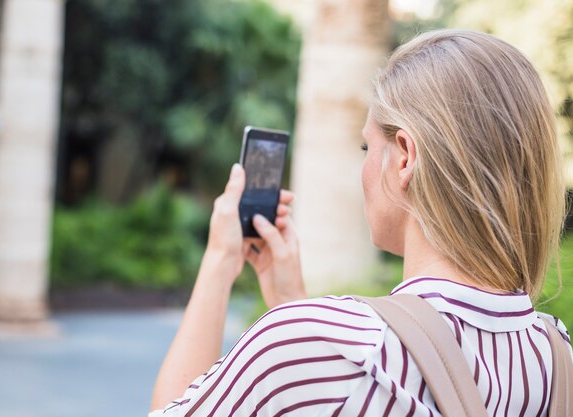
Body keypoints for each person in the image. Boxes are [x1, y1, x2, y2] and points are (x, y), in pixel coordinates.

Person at [149, 29, 573, 416]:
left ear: (404, 157)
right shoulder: (556, 357)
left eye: (366, 146)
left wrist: (221, 260)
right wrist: (292, 303)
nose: (364, 166)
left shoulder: (330, 347)